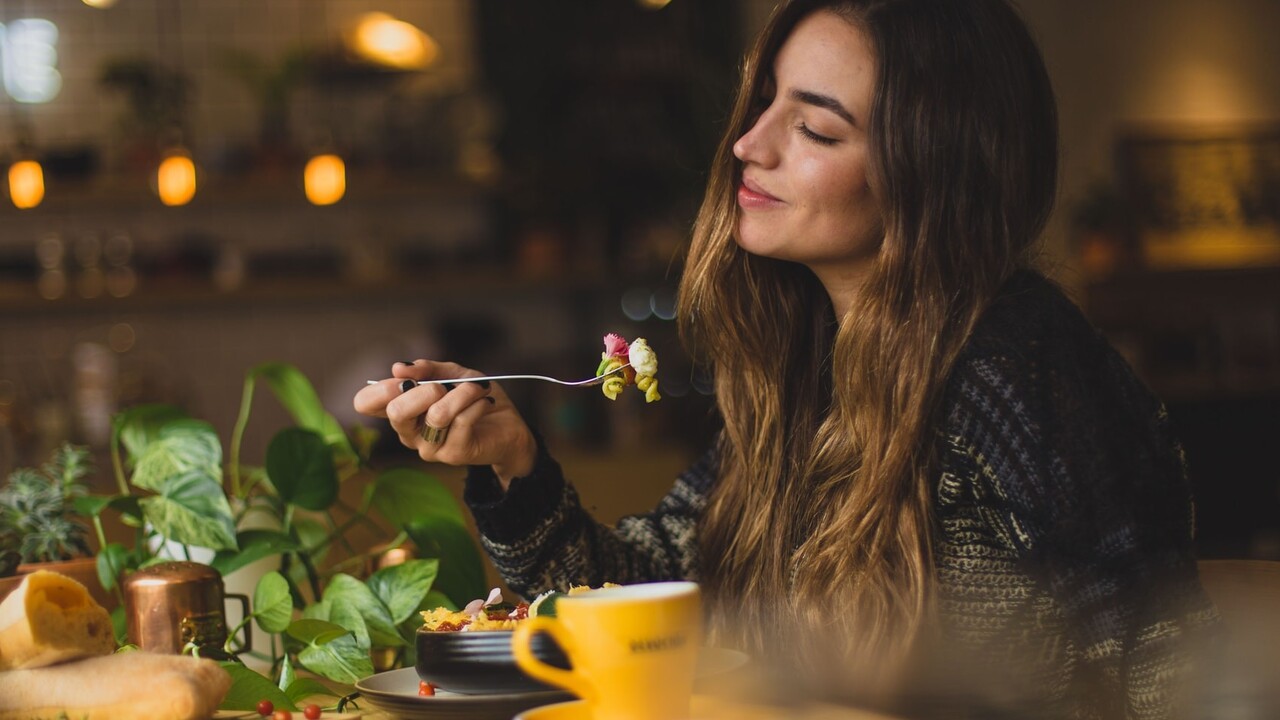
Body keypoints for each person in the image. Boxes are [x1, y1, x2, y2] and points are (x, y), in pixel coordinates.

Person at [355, 0, 1217, 716]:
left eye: (813, 127)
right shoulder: (810, 369)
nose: (748, 144)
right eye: (762, 102)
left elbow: (1157, 663)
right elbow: (652, 598)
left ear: (932, 173)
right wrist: (515, 463)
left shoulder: (1016, 368)